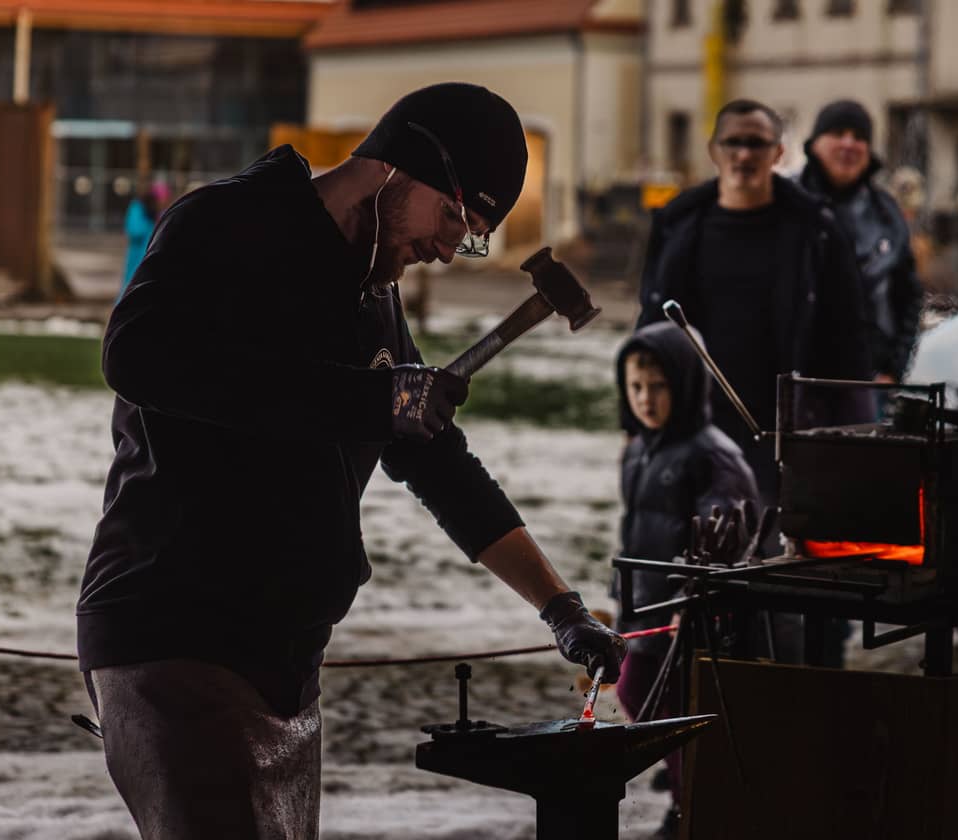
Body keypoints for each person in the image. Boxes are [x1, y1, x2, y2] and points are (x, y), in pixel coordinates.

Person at [77, 82, 627, 839]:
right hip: (173, 637)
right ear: (400, 164)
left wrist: (561, 609)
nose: (447, 248)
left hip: (285, 664)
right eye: (454, 218)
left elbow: (439, 465)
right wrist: (369, 401)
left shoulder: (374, 296)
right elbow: (136, 355)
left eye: (470, 237)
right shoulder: (231, 222)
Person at [636, 98, 873, 669]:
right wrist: (636, 428)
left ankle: (793, 697)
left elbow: (848, 341)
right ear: (714, 151)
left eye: (757, 144)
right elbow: (649, 336)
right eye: (734, 143)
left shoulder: (815, 229)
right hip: (697, 437)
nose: (744, 155)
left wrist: (851, 440)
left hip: (788, 440)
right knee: (686, 585)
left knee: (786, 595)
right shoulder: (680, 224)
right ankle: (690, 702)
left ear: (778, 153)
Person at [612, 321, 759, 838]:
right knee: (636, 695)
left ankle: (689, 810)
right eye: (636, 387)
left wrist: (690, 599)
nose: (645, 399)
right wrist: (619, 597)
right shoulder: (639, 448)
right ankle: (683, 786)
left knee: (676, 713)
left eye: (658, 386)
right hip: (642, 610)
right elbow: (634, 529)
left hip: (686, 619)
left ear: (687, 384)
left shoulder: (713, 456)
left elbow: (728, 534)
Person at [798, 99, 924, 385]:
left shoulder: (886, 213)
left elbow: (908, 297)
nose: (849, 144)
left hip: (866, 382)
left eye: (859, 137)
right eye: (838, 133)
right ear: (815, 143)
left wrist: (894, 368)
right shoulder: (786, 204)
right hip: (793, 383)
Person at [119, 180, 170, 298]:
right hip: (138, 255)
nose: (163, 202)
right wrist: (151, 223)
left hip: (153, 258)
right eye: (161, 199)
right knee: (131, 286)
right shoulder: (138, 208)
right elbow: (134, 230)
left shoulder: (162, 212)